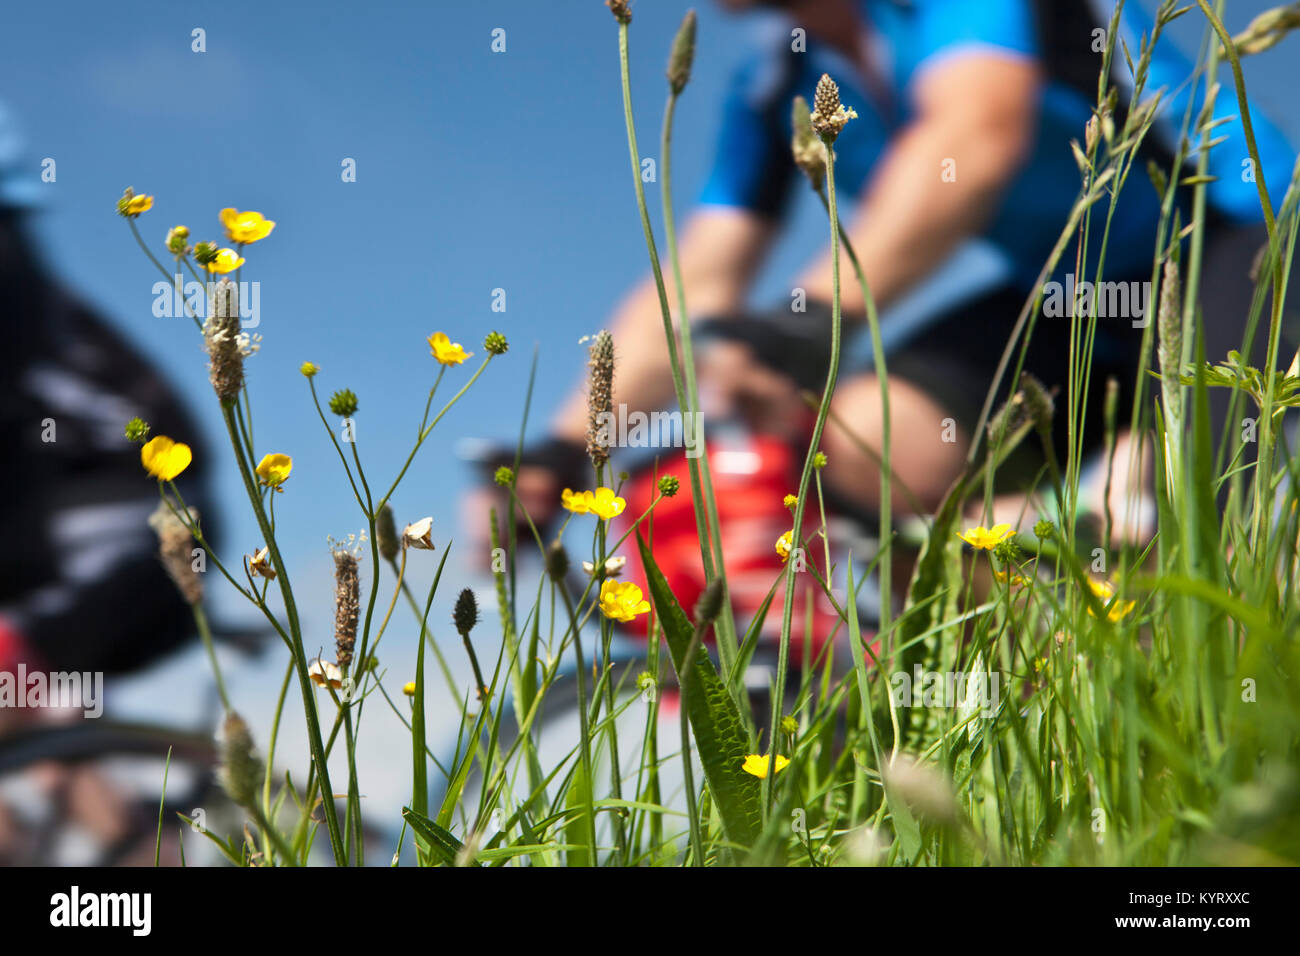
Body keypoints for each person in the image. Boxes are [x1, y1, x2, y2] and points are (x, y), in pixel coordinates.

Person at [471, 0, 1296, 565]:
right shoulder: (776, 87)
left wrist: (812, 318)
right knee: (851, 447)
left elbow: (974, 136)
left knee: (1209, 494)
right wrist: (569, 446)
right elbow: (697, 279)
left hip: (1241, 237)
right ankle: (1030, 701)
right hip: (1072, 300)